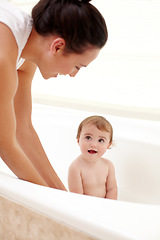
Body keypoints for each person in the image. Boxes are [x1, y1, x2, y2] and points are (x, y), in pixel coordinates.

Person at [0, 0, 108, 190]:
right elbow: (5, 145)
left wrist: (61, 193)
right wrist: (53, 202)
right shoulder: (4, 52)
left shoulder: (26, 47)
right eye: (77, 66)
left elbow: (22, 128)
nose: (73, 74)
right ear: (57, 46)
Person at [68, 116, 117, 199]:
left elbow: (112, 189)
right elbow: (77, 197)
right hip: (85, 208)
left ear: (108, 145)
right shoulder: (75, 167)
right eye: (88, 137)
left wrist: (109, 206)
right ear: (78, 140)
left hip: (105, 206)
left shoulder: (108, 165)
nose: (94, 144)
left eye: (101, 140)